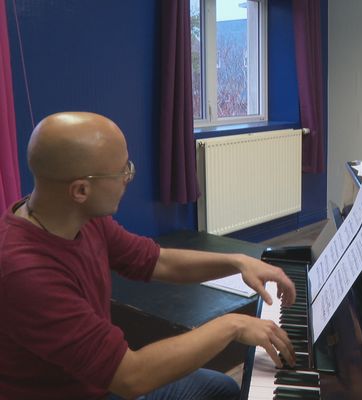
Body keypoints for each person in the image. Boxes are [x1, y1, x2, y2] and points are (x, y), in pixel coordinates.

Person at [0, 111, 297, 400]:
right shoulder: (26, 273)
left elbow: (157, 261)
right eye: (122, 171)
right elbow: (132, 377)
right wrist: (233, 325)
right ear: (80, 190)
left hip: (100, 380)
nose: (128, 177)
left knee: (223, 388)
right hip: (99, 386)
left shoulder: (81, 218)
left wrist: (236, 262)